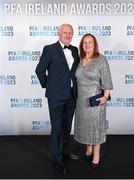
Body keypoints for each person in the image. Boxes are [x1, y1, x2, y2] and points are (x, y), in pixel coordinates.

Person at [35, 24, 79, 174]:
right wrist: (49, 86)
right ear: (59, 33)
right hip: (56, 97)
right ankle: (57, 159)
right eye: (65, 32)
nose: (68, 35)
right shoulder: (50, 49)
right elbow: (39, 70)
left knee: (67, 127)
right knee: (57, 129)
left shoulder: (74, 50)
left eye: (70, 33)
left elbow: (74, 72)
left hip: (71, 96)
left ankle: (65, 152)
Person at [74, 33, 113, 168]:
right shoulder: (79, 59)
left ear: (95, 44)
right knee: (85, 126)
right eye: (85, 43)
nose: (87, 45)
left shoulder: (101, 59)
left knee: (95, 127)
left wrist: (105, 97)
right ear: (81, 45)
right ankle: (88, 147)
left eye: (90, 42)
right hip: (81, 101)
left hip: (96, 100)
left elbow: (107, 79)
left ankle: (96, 154)